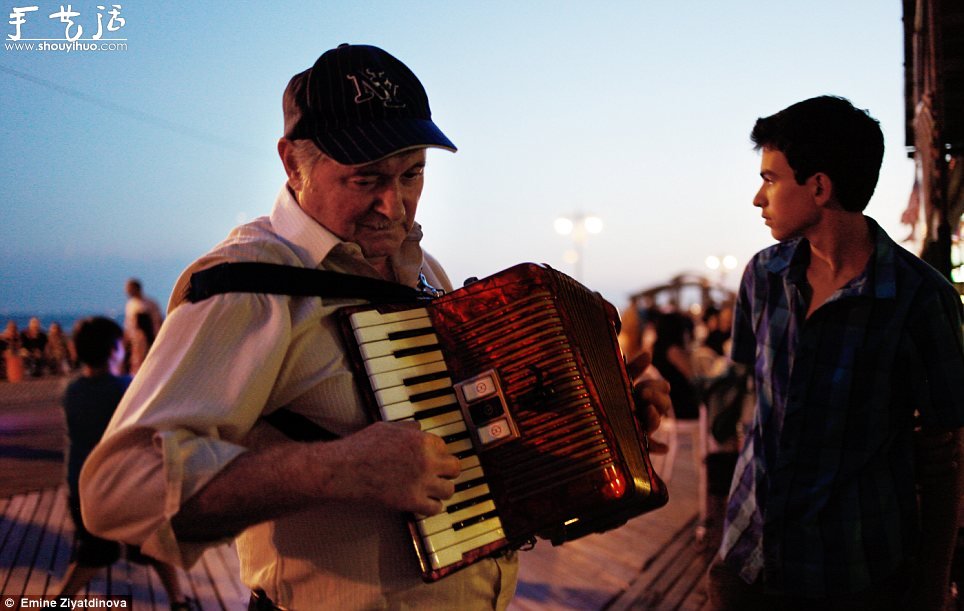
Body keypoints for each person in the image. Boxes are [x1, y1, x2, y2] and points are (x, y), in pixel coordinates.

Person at [79, 43, 671, 610]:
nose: (395, 205)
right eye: (365, 179)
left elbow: (474, 437)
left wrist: (596, 413)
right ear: (293, 162)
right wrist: (333, 470)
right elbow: (117, 490)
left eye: (412, 174)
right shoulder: (249, 284)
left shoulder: (424, 271)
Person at [707, 96, 964, 610]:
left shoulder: (920, 299)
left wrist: (933, 587)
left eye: (772, 179)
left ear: (820, 187)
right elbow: (748, 404)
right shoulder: (762, 277)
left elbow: (946, 458)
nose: (759, 198)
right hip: (745, 563)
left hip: (853, 574)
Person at [58, 317, 194, 610]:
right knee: (153, 541)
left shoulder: (72, 391)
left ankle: (60, 601)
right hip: (124, 484)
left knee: (94, 550)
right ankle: (178, 601)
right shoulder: (125, 388)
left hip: (81, 483)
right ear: (113, 350)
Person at [123, 278, 163, 373]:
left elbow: (157, 321)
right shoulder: (130, 304)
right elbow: (129, 325)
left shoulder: (149, 304)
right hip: (135, 340)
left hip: (149, 339)